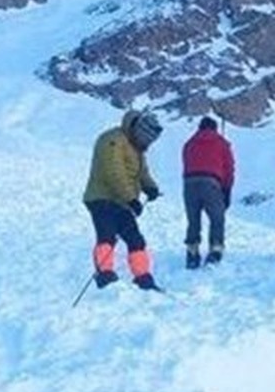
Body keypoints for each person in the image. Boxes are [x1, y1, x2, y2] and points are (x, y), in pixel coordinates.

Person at [82, 109, 164, 291]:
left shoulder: (136, 147)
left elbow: (142, 173)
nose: (146, 144)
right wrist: (132, 199)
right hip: (101, 197)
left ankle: (143, 277)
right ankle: (104, 275)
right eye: (145, 139)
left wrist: (150, 187)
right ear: (138, 130)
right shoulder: (112, 140)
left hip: (122, 201)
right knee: (107, 235)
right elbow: (114, 172)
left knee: (135, 238)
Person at [182, 117, 235, 268]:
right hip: (211, 182)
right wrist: (227, 190)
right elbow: (229, 168)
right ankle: (215, 250)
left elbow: (186, 163)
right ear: (215, 128)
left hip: (189, 182)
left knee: (193, 219)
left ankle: (192, 252)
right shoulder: (222, 143)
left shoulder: (189, 143)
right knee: (217, 217)